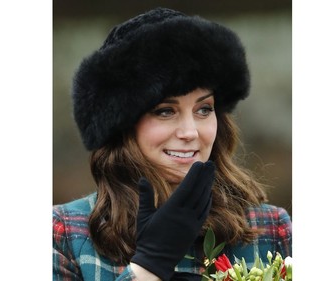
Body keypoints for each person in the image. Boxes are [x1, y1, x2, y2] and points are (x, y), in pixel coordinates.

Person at [53, 7, 292, 281]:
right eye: (165, 111)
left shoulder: (271, 228)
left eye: (204, 109)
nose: (190, 132)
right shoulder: (65, 233)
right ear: (122, 124)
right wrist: (150, 266)